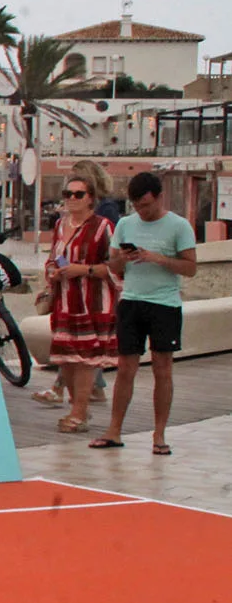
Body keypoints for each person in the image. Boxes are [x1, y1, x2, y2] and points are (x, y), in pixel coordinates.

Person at [94, 171, 199, 456]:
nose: (143, 211)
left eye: (148, 206)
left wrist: (158, 258)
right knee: (126, 367)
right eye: (138, 206)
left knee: (162, 368)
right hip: (131, 301)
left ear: (159, 197)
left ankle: (160, 434)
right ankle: (114, 430)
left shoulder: (179, 226)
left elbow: (190, 268)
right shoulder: (126, 224)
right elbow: (112, 266)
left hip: (165, 304)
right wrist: (122, 259)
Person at [41, 175, 117, 434]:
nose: (71, 199)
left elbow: (115, 266)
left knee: (85, 359)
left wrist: (82, 270)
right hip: (65, 300)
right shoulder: (61, 226)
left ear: (91, 198)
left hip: (92, 301)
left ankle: (79, 411)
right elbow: (53, 257)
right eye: (67, 194)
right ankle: (76, 407)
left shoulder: (102, 227)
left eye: (78, 194)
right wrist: (53, 271)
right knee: (67, 358)